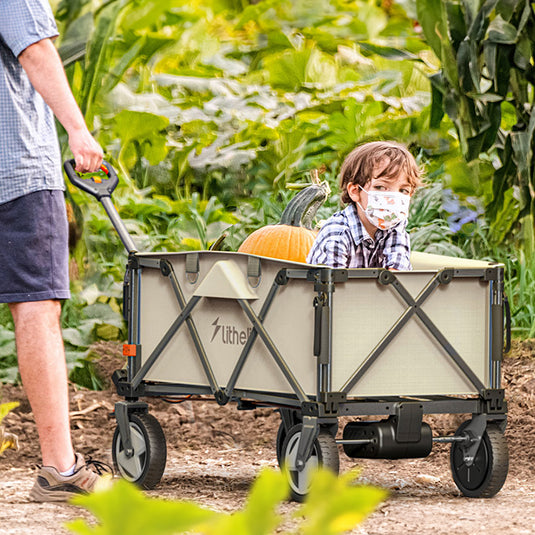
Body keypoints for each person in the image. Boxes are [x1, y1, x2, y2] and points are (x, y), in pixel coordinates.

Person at [0, 0, 111, 501]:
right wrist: (79, 129)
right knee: (37, 309)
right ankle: (60, 468)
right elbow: (37, 50)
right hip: (16, 172)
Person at [307, 141, 421, 270]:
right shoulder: (337, 233)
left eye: (403, 190)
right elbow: (331, 286)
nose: (393, 199)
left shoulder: (395, 227)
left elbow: (398, 280)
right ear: (355, 191)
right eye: (381, 187)